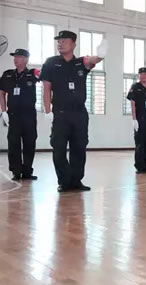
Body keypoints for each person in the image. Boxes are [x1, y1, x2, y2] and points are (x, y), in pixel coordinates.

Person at [40, 30, 106, 192]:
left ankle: (76, 181)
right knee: (59, 148)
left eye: (64, 40)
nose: (60, 43)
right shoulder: (51, 63)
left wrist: (100, 55)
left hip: (79, 114)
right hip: (60, 113)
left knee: (79, 148)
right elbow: (46, 89)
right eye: (59, 41)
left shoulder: (80, 63)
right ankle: (64, 181)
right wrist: (48, 111)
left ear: (73, 44)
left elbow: (91, 60)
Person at [0, 48, 40, 181]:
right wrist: (3, 111)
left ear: (25, 59)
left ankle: (27, 171)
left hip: (29, 115)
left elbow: (45, 77)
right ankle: (16, 171)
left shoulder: (32, 74)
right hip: (13, 115)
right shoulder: (8, 75)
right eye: (14, 57)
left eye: (19, 57)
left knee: (29, 143)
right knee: (13, 143)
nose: (15, 59)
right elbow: (2, 94)